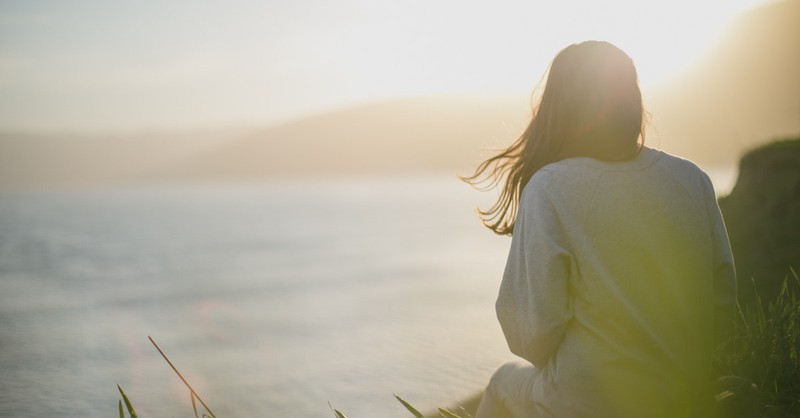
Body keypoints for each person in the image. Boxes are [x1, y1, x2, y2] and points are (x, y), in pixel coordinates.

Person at [463, 41, 737, 418]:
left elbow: (531, 337)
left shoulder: (550, 187)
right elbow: (722, 304)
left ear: (558, 106)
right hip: (683, 396)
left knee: (501, 383)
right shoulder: (691, 179)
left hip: (587, 402)